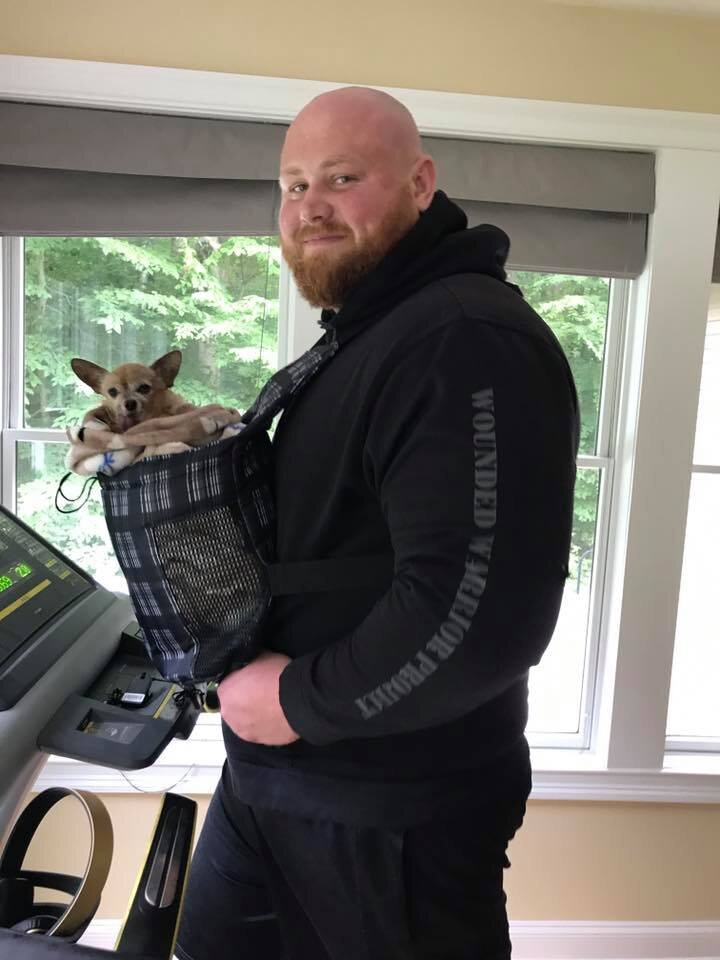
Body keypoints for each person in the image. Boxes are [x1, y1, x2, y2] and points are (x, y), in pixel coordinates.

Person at [176, 86, 579, 960]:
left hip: (390, 810)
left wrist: (297, 699)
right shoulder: (372, 332)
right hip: (286, 781)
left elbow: (477, 617)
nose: (309, 207)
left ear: (419, 183)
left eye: (341, 178)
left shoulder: (464, 339)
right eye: (293, 186)